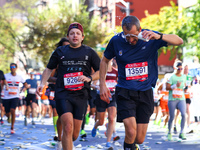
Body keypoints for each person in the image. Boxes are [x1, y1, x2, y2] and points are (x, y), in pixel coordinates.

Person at [99, 15, 183, 150]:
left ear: (140, 30)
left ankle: (133, 146)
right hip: (124, 91)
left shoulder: (151, 38)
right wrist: (102, 84)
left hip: (145, 92)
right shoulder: (116, 41)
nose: (130, 40)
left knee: (139, 138)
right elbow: (104, 60)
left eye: (134, 36)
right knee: (131, 132)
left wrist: (159, 36)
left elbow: (179, 41)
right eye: (127, 36)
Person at [37, 22, 100, 150]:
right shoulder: (60, 51)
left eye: (78, 33)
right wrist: (42, 83)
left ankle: (68, 144)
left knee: (74, 134)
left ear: (82, 37)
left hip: (81, 95)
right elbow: (48, 69)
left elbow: (101, 71)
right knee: (67, 127)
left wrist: (90, 78)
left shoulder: (90, 52)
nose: (75, 36)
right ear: (68, 36)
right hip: (63, 93)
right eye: (72, 34)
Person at [92, 59, 118, 148]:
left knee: (111, 118)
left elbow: (119, 82)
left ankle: (108, 141)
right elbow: (92, 84)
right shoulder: (100, 72)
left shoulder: (116, 72)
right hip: (101, 97)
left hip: (112, 97)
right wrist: (99, 87)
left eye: (110, 60)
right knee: (101, 121)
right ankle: (95, 126)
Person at [3, 63, 28, 134]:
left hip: (15, 96)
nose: (12, 68)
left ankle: (12, 127)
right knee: (7, 113)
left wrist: (24, 88)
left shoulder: (19, 77)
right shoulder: (6, 76)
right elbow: (2, 82)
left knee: (13, 110)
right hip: (6, 97)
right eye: (11, 67)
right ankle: (8, 117)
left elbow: (25, 84)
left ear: (16, 68)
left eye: (13, 67)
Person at [166, 62, 187, 141]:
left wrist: (185, 87)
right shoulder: (171, 77)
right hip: (172, 99)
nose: (180, 70)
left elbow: (184, 85)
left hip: (181, 98)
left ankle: (181, 132)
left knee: (184, 114)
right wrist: (175, 86)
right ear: (175, 68)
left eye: (181, 68)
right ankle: (169, 132)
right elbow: (167, 87)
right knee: (172, 116)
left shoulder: (184, 76)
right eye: (179, 69)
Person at [183, 65, 193, 133]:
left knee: (188, 109)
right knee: (178, 112)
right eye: (185, 69)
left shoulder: (190, 77)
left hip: (187, 96)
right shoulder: (180, 76)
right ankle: (174, 125)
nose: (186, 70)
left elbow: (191, 86)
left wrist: (191, 91)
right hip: (180, 96)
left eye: (187, 69)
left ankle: (187, 126)